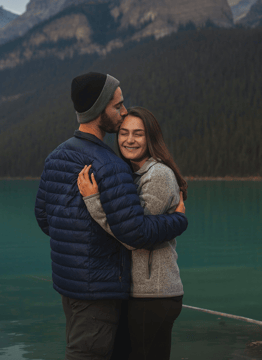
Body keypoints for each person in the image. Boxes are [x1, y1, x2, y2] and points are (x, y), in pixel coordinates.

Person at [34, 72, 188, 360]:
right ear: (98, 110)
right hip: (99, 288)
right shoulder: (111, 165)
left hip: (68, 285)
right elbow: (136, 233)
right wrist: (179, 220)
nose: (124, 111)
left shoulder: (56, 156)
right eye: (117, 106)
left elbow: (44, 218)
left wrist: (77, 245)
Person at [77, 106, 187, 360]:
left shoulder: (157, 174)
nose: (129, 139)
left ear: (151, 138)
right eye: (124, 132)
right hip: (140, 292)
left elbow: (134, 237)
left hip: (154, 293)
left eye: (138, 134)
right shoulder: (133, 174)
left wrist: (94, 201)